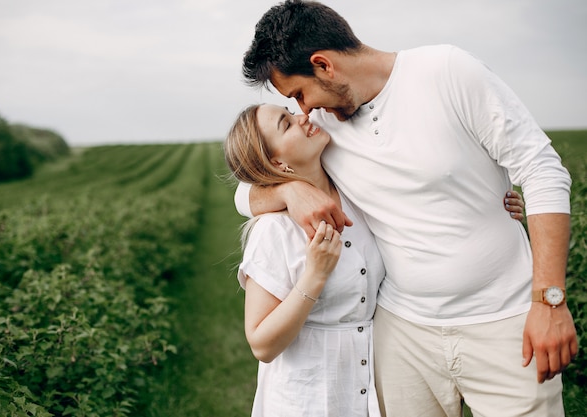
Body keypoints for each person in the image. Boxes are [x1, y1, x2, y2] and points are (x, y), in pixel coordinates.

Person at [234, 1, 578, 416]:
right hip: (402, 333)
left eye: (299, 94)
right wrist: (290, 192)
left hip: (506, 322)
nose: (302, 110)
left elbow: (543, 171)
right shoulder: (322, 125)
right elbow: (248, 186)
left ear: (323, 65)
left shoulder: (447, 72)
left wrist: (549, 301)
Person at [224, 103, 524, 417]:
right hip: (308, 397)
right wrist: (314, 275)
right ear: (278, 162)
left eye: (291, 111)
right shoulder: (274, 229)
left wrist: (492, 204)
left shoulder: (356, 197)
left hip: (369, 386)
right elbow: (262, 344)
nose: (303, 117)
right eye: (286, 124)